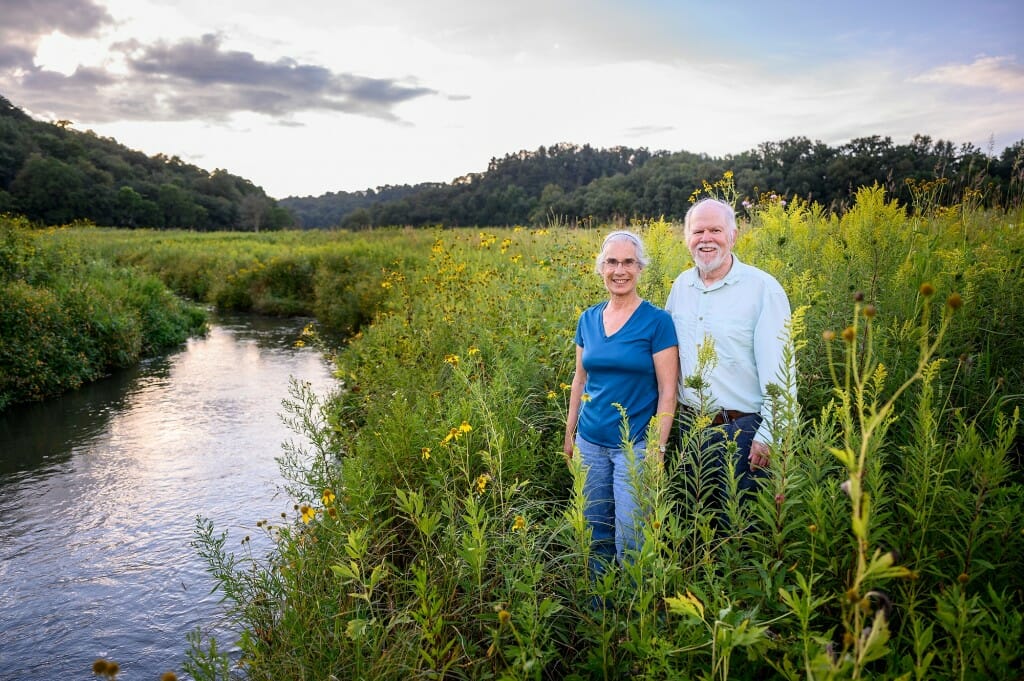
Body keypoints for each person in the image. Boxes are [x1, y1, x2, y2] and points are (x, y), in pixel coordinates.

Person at [664, 198, 794, 519]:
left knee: (738, 532)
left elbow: (781, 372)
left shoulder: (763, 289)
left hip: (743, 433)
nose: (706, 239)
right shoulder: (681, 286)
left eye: (715, 230)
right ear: (687, 238)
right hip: (689, 429)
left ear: (733, 236)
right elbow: (668, 359)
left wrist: (769, 436)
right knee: (693, 524)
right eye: (698, 231)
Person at [564, 230, 679, 573]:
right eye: (612, 262)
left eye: (629, 262)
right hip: (590, 442)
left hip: (635, 447)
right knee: (595, 531)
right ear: (601, 268)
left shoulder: (657, 322)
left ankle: (632, 614)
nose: (620, 270)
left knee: (631, 538)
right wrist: (570, 434)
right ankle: (600, 609)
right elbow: (580, 379)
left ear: (640, 268)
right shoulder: (588, 318)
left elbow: (667, 391)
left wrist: (657, 451)